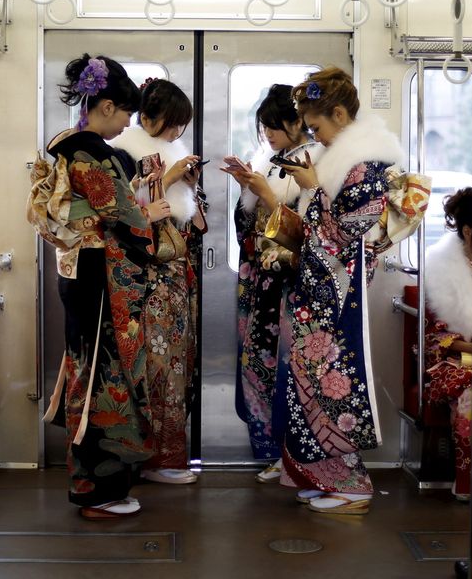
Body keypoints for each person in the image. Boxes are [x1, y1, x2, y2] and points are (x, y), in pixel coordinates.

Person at [34, 54, 171, 519]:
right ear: (107, 105)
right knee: (102, 376)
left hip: (74, 268)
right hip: (99, 274)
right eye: (126, 115)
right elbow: (126, 218)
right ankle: (98, 488)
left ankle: (93, 479)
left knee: (84, 366)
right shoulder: (94, 152)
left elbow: (58, 210)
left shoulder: (61, 144)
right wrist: (147, 217)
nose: (126, 125)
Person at [278, 67, 406, 515]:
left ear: (338, 113)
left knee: (333, 381)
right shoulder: (347, 163)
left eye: (317, 126)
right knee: (313, 381)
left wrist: (314, 191)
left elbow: (341, 236)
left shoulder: (367, 166)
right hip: (326, 287)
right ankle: (328, 477)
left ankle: (351, 483)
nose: (316, 136)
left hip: (339, 290)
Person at [221, 84, 324, 482]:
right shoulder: (268, 159)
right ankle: (269, 451)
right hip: (261, 279)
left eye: (275, 127)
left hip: (291, 284)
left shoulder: (314, 164)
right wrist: (251, 190)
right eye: (264, 127)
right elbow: (247, 228)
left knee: (288, 367)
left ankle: (293, 454)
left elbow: (310, 232)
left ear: (299, 122)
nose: (268, 135)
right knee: (257, 362)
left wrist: (266, 197)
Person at [111, 78, 206, 485]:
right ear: (144, 118)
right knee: (155, 364)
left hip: (174, 275)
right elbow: (126, 216)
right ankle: (153, 458)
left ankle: (168, 455)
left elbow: (190, 220)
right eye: (170, 125)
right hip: (146, 278)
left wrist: (190, 187)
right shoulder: (124, 152)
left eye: (181, 126)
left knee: (176, 362)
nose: (176, 134)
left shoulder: (171, 153)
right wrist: (167, 181)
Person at [422, 187, 472, 502]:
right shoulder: (442, 270)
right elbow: (439, 336)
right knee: (471, 399)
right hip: (460, 359)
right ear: (468, 231)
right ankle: (468, 481)